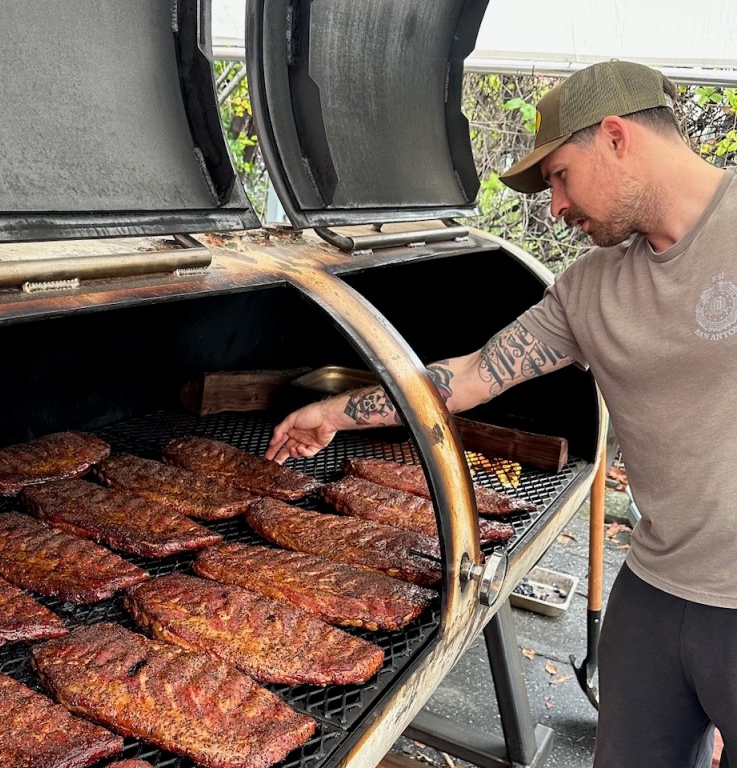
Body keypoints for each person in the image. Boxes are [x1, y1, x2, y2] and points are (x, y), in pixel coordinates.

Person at [264, 59, 736, 768]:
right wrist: (337, 411)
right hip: (657, 587)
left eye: (558, 178)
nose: (554, 208)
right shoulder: (591, 288)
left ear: (614, 137)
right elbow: (476, 374)